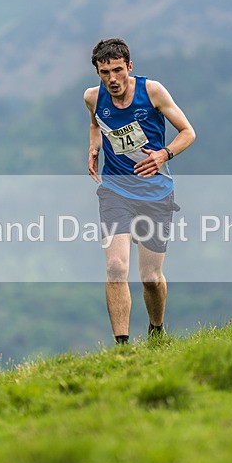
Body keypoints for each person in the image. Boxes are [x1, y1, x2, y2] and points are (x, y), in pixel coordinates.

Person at [83, 38, 196, 345]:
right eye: (105, 72)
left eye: (118, 70)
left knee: (150, 278)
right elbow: (95, 124)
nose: (112, 79)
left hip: (156, 192)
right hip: (115, 190)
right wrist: (94, 147)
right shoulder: (93, 97)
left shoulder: (152, 92)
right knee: (116, 266)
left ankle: (156, 329)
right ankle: (122, 347)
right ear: (97, 72)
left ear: (129, 67)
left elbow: (188, 132)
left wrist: (165, 154)